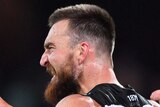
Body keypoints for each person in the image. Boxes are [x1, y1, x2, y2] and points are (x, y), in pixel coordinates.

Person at [1, 4, 160, 107]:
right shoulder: (151, 104)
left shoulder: (80, 104)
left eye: (51, 48)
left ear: (81, 52)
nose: (43, 60)